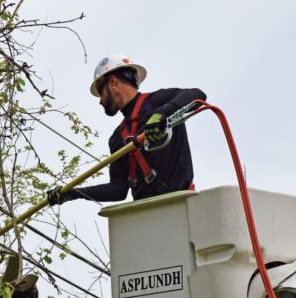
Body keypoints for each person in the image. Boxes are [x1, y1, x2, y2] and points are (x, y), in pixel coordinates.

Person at [47, 55, 206, 205]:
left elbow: (198, 95)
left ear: (113, 82)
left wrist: (162, 114)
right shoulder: (117, 137)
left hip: (181, 203)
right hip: (144, 211)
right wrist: (73, 193)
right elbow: (118, 189)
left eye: (100, 93)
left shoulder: (158, 102)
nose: (100, 102)